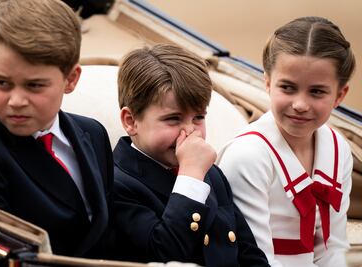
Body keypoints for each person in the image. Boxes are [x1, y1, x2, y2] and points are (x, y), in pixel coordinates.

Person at [0, 0, 114, 258]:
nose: (16, 100)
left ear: (71, 79)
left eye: (34, 86)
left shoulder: (94, 134)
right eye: (2, 82)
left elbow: (108, 228)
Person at [112, 43, 270, 266]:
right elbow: (165, 253)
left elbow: (248, 253)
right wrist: (190, 177)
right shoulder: (116, 184)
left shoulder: (211, 174)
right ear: (131, 121)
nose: (190, 131)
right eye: (173, 119)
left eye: (198, 117)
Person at [217, 16, 355, 267]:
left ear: (340, 95)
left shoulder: (338, 148)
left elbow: (333, 247)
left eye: (317, 91)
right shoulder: (248, 156)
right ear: (268, 82)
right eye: (288, 88)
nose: (300, 105)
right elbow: (255, 259)